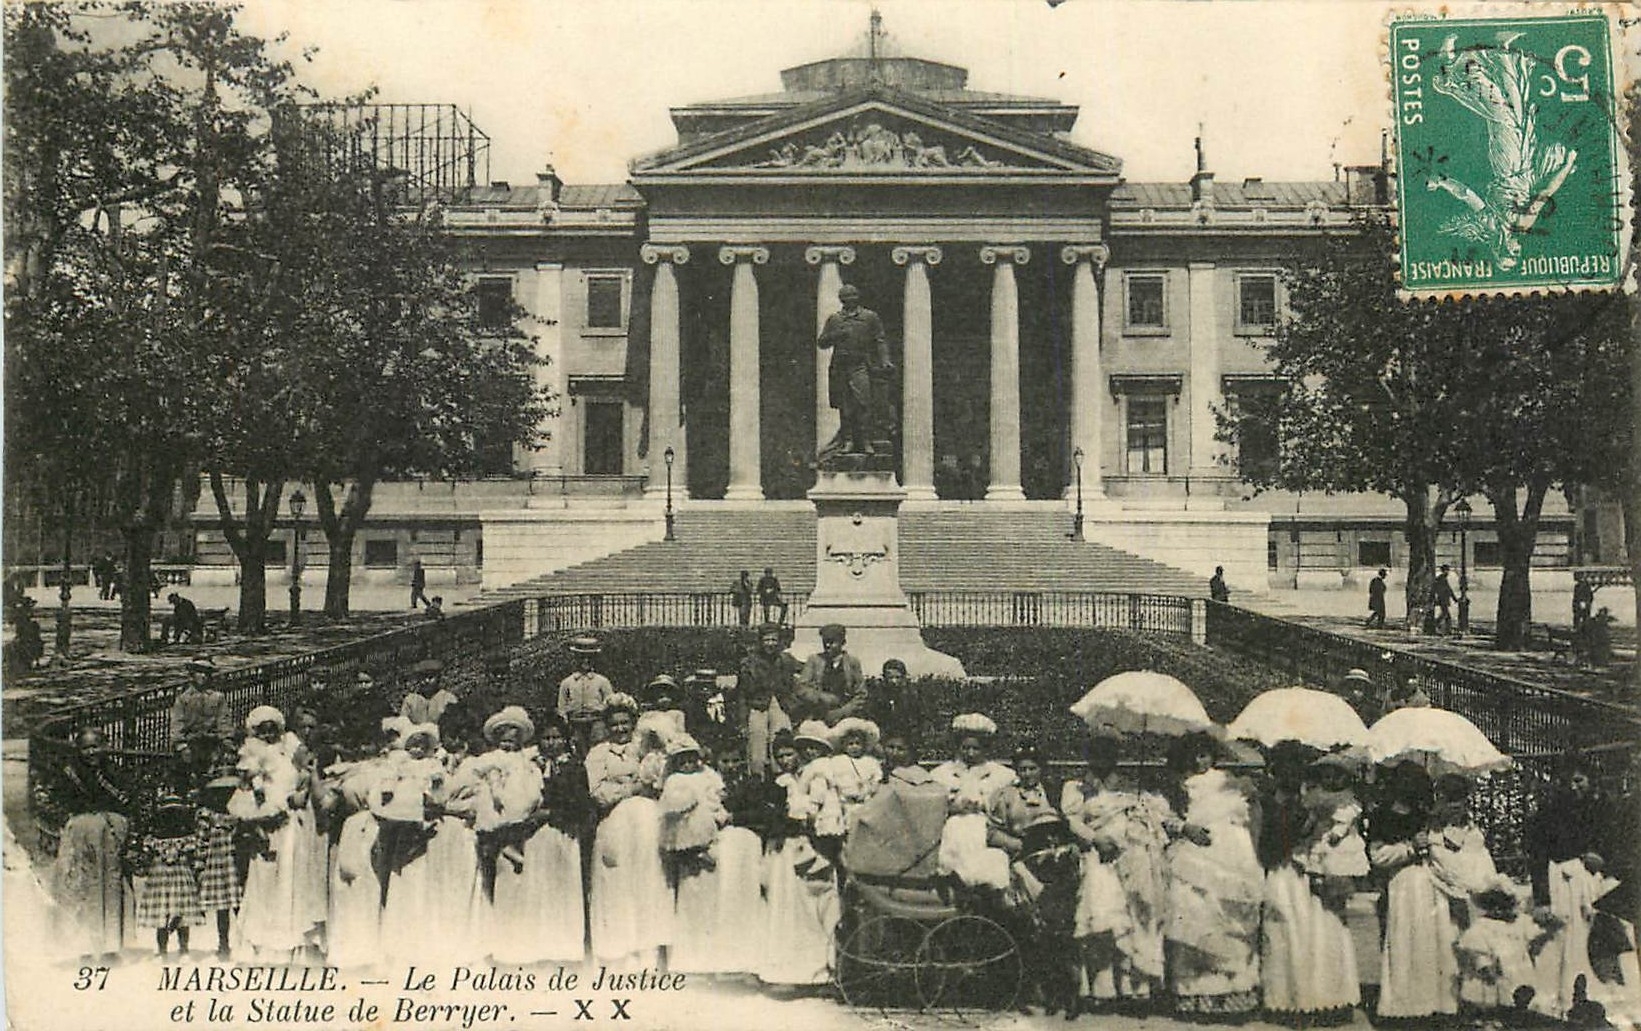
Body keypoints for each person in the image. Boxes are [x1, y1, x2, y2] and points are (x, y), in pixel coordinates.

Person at [1060, 726, 1170, 1008]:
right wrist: (1096, 838)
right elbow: (1072, 822)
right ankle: (1103, 989)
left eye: (1108, 753)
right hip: (1096, 853)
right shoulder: (1076, 788)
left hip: (1131, 854)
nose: (1102, 759)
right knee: (1102, 904)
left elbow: (1153, 817)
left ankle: (1135, 988)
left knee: (1138, 908)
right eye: (1095, 752)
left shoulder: (1130, 786)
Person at [1161, 732, 1263, 1016]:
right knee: (1194, 915)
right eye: (1194, 755)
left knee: (1227, 919)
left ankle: (1233, 994)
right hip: (1192, 856)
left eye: (1204, 754)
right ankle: (1194, 996)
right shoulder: (1178, 786)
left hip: (1229, 855)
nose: (1199, 761)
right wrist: (1185, 828)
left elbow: (1248, 812)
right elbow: (1166, 819)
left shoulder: (1229, 781)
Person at [1259, 743, 1361, 1021]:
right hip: (1284, 868)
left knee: (1322, 931)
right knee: (1287, 934)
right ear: (1275, 771)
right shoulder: (1270, 800)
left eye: (1297, 770)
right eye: (1284, 771)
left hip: (1313, 868)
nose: (1291, 777)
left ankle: (1327, 999)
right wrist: (1300, 827)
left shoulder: (1315, 797)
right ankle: (1290, 1000)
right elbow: (1270, 842)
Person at [480, 710, 589, 966]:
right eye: (546, 738)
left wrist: (550, 812)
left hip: (562, 833)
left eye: (556, 738)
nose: (551, 743)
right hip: (536, 837)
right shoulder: (530, 765)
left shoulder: (573, 765)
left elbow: (582, 803)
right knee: (539, 891)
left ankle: (565, 949)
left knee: (563, 890)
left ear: (565, 739)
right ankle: (539, 946)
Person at [587, 696, 674, 968]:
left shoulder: (644, 749)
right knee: (615, 887)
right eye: (614, 724)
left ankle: (647, 954)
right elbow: (598, 793)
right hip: (615, 824)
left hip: (647, 825)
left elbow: (660, 780)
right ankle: (618, 956)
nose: (620, 729)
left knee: (647, 884)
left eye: (625, 723)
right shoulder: (599, 754)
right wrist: (632, 788)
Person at [1370, 761, 1460, 1020]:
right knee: (1405, 939)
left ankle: (1433, 1000)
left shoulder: (1425, 815)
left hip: (1430, 882)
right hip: (1403, 884)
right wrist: (1409, 847)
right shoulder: (1383, 816)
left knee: (1432, 940)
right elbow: (1378, 855)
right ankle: (1405, 1003)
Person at [51, 727, 131, 962]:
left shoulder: (113, 772)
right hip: (81, 834)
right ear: (78, 750)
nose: (91, 752)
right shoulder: (70, 773)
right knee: (82, 886)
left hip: (108, 833)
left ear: (104, 747)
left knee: (110, 886)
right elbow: (60, 801)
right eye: (85, 747)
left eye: (95, 746)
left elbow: (126, 801)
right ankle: (84, 945)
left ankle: (110, 946)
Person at [931, 713, 1016, 893]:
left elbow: (1008, 804)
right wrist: (953, 807)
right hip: (951, 827)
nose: (970, 753)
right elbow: (932, 806)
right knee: (957, 833)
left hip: (988, 828)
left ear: (985, 748)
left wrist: (986, 806)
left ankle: (976, 884)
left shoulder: (1001, 774)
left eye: (976, 748)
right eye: (965, 748)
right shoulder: (941, 773)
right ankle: (954, 879)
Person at [817, 283, 893, 460]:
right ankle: (848, 440)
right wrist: (836, 335)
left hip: (860, 364)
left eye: (852, 296)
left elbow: (879, 339)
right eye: (845, 297)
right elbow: (822, 342)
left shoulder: (869, 317)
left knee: (863, 402)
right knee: (845, 405)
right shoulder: (835, 319)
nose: (849, 300)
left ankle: (865, 439)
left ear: (857, 297)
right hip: (840, 366)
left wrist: (885, 360)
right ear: (841, 300)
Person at [133, 778, 206, 957]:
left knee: (162, 914)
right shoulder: (186, 836)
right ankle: (182, 950)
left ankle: (165, 951)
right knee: (180, 913)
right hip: (180, 873)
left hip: (160, 874)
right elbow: (194, 852)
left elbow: (145, 853)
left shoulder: (155, 837)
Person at [736, 622, 799, 776]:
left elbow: (802, 676)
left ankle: (782, 779)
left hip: (780, 703)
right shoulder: (749, 663)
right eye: (767, 640)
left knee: (781, 739)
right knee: (757, 740)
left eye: (774, 640)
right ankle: (758, 780)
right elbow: (742, 693)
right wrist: (742, 721)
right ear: (760, 641)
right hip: (757, 705)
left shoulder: (786, 660)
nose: (770, 644)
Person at [169, 656, 233, 779]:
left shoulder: (217, 697)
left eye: (206, 673)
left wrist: (226, 740)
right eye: (199, 672)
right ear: (192, 675)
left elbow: (224, 721)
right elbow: (177, 725)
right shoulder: (183, 699)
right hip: (190, 746)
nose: (203, 676)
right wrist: (182, 746)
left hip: (212, 745)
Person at [793, 623, 867, 725]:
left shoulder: (852, 662)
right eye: (825, 642)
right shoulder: (814, 660)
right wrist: (821, 697)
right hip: (817, 714)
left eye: (832, 642)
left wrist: (842, 712)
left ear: (843, 642)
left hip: (846, 716)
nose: (828, 645)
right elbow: (801, 688)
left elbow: (861, 694)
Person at [558, 634, 614, 752]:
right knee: (578, 750)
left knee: (598, 750)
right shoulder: (567, 683)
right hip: (575, 724)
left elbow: (610, 705)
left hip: (597, 722)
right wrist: (566, 725)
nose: (585, 661)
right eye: (581, 657)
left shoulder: (602, 681)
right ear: (575, 658)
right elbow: (562, 707)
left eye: (589, 657)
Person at [399, 658, 458, 725]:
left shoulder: (447, 699)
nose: (426, 681)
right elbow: (403, 726)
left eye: (430, 677)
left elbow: (455, 726)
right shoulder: (411, 700)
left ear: (439, 677)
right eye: (422, 677)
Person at [1433, 564, 1456, 635]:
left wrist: (1454, 598)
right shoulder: (1441, 579)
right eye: (1447, 570)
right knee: (1446, 615)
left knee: (1445, 614)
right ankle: (1439, 626)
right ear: (1444, 571)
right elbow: (1445, 590)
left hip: (1444, 599)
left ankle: (1447, 629)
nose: (1448, 572)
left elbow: (1449, 590)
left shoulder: (1442, 578)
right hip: (1443, 599)